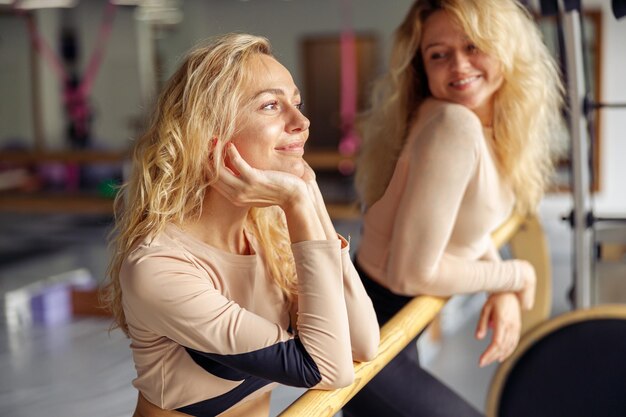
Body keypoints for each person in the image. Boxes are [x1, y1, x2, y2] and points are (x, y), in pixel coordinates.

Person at [102, 33, 379, 417]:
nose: (302, 121)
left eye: (296, 104)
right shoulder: (158, 267)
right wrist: (297, 202)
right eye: (270, 105)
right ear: (209, 134)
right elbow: (326, 368)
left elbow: (361, 343)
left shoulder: (269, 231)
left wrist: (307, 191)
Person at [343, 0, 564, 416]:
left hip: (387, 319)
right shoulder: (453, 125)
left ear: (504, 47)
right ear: (422, 69)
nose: (459, 65)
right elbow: (411, 274)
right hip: (364, 323)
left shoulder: (479, 126)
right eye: (438, 55)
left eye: (473, 45)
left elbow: (465, 226)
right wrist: (516, 273)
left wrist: (501, 282)